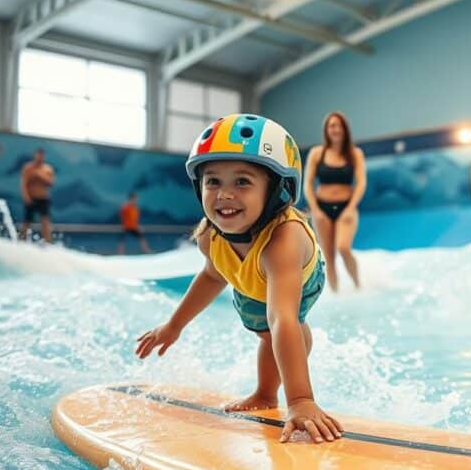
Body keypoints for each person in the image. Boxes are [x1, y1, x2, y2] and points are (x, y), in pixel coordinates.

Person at [135, 114, 341, 444]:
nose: (225, 194)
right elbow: (211, 276)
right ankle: (264, 393)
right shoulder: (209, 237)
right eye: (213, 182)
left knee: (283, 326)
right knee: (265, 334)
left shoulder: (283, 241)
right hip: (249, 280)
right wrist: (173, 325)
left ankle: (281, 382)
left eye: (242, 182)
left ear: (276, 189)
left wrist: (301, 401)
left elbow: (282, 317)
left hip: (298, 275)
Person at [303, 112, 366, 292]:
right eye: (332, 126)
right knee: (329, 256)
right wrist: (316, 210)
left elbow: (361, 182)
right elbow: (308, 183)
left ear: (345, 129)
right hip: (322, 208)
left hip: (347, 206)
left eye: (339, 125)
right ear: (326, 130)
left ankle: (358, 286)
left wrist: (350, 208)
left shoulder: (355, 154)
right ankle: (336, 293)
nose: (335, 129)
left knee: (343, 248)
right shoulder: (317, 153)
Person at [19, 148, 55, 243]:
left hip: (43, 198)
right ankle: (21, 242)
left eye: (42, 155)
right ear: (35, 155)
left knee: (45, 222)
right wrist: (26, 196)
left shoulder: (47, 169)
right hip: (31, 198)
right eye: (38, 155)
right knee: (26, 222)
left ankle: (48, 244)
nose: (40, 157)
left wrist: (39, 175)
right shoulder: (28, 167)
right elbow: (23, 184)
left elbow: (51, 182)